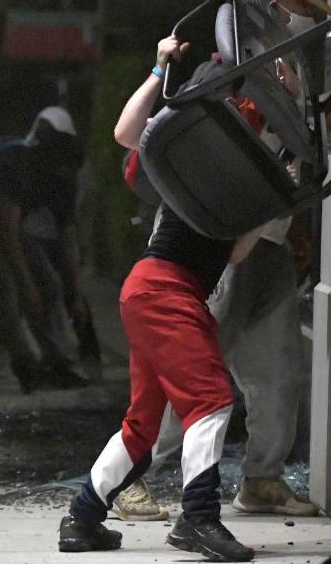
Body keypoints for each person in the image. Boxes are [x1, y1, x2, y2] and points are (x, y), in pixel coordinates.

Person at [110, 0, 331, 522]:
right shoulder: (231, 73)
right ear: (273, 6)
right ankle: (135, 479)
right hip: (215, 244)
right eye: (298, 2)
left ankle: (261, 478)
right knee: (188, 371)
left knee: (277, 370)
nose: (307, 13)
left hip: (262, 241)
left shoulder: (280, 73)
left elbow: (314, 119)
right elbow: (149, 134)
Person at [58, 32, 267, 560]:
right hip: (163, 289)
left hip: (156, 291)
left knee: (142, 424)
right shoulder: (189, 158)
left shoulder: (222, 180)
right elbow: (128, 132)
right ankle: (199, 520)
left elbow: (235, 253)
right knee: (212, 399)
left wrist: (265, 203)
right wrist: (158, 70)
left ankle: (81, 519)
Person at [0, 107, 89, 392]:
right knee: (5, 295)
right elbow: (8, 232)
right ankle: (26, 366)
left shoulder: (64, 180)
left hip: (7, 228)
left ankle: (56, 361)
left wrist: (75, 293)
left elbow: (66, 237)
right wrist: (26, 285)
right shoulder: (20, 166)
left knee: (49, 285)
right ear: (48, 162)